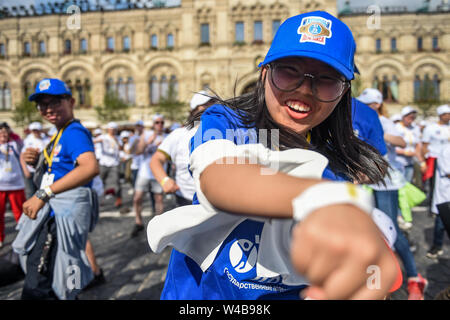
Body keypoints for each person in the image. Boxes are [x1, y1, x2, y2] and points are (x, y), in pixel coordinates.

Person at [148, 11, 401, 300]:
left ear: (344, 93)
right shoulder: (227, 121)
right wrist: (328, 200)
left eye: (326, 79)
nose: (305, 89)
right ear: (264, 72)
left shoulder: (339, 163)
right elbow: (221, 178)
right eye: (288, 71)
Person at [13, 78, 100, 300]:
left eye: (55, 102)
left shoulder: (73, 132)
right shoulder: (60, 133)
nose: (49, 108)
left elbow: (89, 167)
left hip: (58, 218)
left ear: (71, 101)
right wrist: (36, 160)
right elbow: (60, 168)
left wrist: (44, 193)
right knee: (59, 278)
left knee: (39, 284)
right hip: (54, 216)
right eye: (43, 104)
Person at [357, 88, 428, 299]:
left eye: (369, 104)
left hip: (386, 183)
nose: (364, 107)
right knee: (370, 229)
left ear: (377, 104)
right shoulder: (359, 118)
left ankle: (414, 278)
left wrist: (379, 133)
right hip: (366, 183)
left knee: (390, 230)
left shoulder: (384, 122)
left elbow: (403, 142)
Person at [150, 91, 213, 207]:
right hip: (187, 199)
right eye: (206, 105)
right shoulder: (179, 134)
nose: (212, 109)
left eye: (214, 104)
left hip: (219, 201)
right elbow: (156, 160)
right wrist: (165, 180)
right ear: (194, 111)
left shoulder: (227, 132)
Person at [131, 114, 166, 237]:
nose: (160, 125)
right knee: (137, 198)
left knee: (159, 199)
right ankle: (138, 222)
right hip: (144, 172)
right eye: (157, 122)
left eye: (162, 122)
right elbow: (138, 151)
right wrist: (147, 142)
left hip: (158, 173)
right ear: (153, 124)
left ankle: (158, 227)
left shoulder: (167, 137)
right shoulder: (145, 135)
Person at [0, 122, 25, 248]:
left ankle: (24, 236)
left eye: (5, 132)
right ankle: (0, 238)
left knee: (19, 213)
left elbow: (18, 139)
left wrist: (9, 131)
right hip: (1, 187)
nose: (3, 135)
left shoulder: (14, 144)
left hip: (16, 185)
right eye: (1, 132)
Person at [421, 104, 450, 209]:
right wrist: (423, 162)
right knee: (434, 184)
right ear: (440, 115)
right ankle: (434, 207)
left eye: (449, 114)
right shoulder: (431, 128)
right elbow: (424, 145)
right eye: (445, 114)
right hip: (435, 159)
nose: (448, 116)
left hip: (448, 159)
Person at [426, 143, 450, 259]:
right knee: (441, 223)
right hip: (446, 194)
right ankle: (437, 245)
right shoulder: (446, 150)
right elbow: (448, 171)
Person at [95, 122, 123, 208]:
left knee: (116, 182)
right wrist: (99, 140)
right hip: (103, 163)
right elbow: (94, 141)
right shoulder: (103, 137)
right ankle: (99, 200)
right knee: (100, 182)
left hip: (114, 163)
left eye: (114, 129)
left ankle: (118, 199)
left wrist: (115, 140)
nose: (112, 131)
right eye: (111, 129)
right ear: (108, 129)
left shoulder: (118, 138)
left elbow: (121, 148)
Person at [20, 122, 50, 199]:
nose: (35, 132)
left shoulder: (46, 139)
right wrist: (25, 170)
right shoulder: (28, 140)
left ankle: (42, 209)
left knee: (42, 192)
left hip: (42, 170)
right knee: (30, 193)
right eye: (34, 130)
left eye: (37, 130)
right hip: (31, 171)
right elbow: (22, 155)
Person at [395, 106, 425, 183]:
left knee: (408, 185)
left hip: (410, 163)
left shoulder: (415, 128)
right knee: (398, 184)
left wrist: (422, 162)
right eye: (409, 117)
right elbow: (391, 146)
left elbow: (418, 145)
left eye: (413, 118)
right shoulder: (396, 127)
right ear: (403, 117)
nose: (411, 120)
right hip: (398, 162)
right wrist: (405, 152)